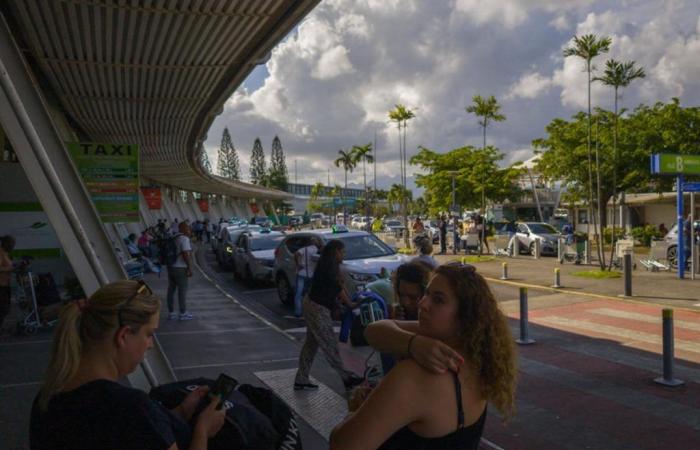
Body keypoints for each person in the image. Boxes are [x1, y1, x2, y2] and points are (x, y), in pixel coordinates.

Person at [330, 262, 517, 450]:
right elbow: (374, 331)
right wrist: (414, 344)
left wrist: (356, 413)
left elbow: (341, 444)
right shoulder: (477, 362)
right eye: (427, 293)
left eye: (438, 300)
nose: (422, 303)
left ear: (465, 316)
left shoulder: (414, 377)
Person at [29, 280, 225, 449]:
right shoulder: (131, 408)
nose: (150, 345)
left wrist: (180, 413)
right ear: (123, 336)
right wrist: (203, 431)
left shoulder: (47, 399)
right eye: (148, 334)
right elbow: (131, 426)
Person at [294, 240, 363, 391]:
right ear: (335, 252)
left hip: (313, 304)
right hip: (317, 307)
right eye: (342, 251)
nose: (343, 254)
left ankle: (301, 378)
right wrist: (350, 304)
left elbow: (340, 286)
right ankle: (347, 377)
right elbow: (338, 287)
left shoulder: (328, 265)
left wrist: (349, 302)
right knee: (329, 343)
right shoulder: (329, 268)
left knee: (311, 345)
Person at [167, 222, 194, 321]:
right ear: (183, 229)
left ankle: (171, 313)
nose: (189, 230)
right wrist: (189, 268)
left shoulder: (174, 237)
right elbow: (185, 254)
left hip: (171, 267)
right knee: (182, 291)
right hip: (180, 268)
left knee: (171, 290)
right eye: (188, 228)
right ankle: (183, 313)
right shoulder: (184, 239)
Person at [293, 238, 322, 318]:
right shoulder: (317, 251)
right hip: (312, 274)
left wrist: (298, 263)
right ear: (317, 244)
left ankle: (298, 312)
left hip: (301, 273)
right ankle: (311, 310)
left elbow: (296, 254)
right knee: (310, 293)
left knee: (298, 293)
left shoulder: (304, 249)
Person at [0, 235, 16, 335]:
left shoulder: (5, 254)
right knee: (3, 309)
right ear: (5, 244)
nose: (13, 247)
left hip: (5, 285)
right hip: (1, 286)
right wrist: (10, 269)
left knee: (5, 309)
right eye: (11, 244)